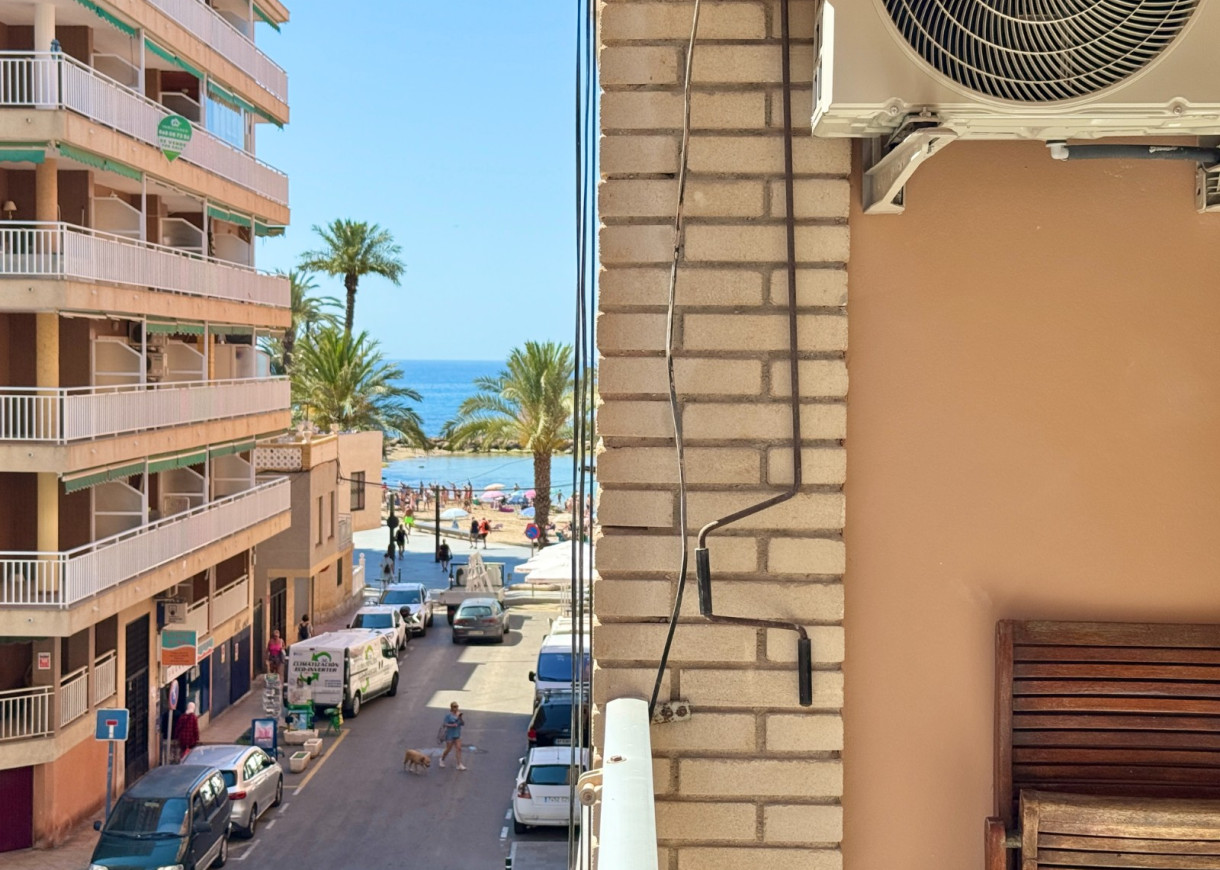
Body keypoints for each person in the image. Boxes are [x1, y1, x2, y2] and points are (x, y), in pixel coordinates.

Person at [439, 701, 466, 770]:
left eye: (456, 707)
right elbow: (444, 724)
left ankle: (459, 764)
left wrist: (460, 717)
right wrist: (452, 725)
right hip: (450, 734)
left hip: (457, 734)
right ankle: (442, 759)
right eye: (454, 707)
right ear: (451, 708)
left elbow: (463, 723)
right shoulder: (448, 716)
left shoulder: (459, 715)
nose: (456, 708)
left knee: (459, 749)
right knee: (448, 749)